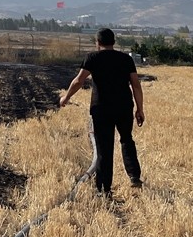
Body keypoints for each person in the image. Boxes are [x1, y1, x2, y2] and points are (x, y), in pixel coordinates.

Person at [59, 28, 145, 196]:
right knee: (126, 139)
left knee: (104, 147)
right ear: (113, 42)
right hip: (124, 106)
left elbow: (79, 81)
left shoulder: (92, 58)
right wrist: (139, 109)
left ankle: (104, 188)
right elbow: (136, 85)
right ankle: (134, 176)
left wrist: (66, 97)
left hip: (101, 108)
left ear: (97, 43)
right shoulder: (125, 59)